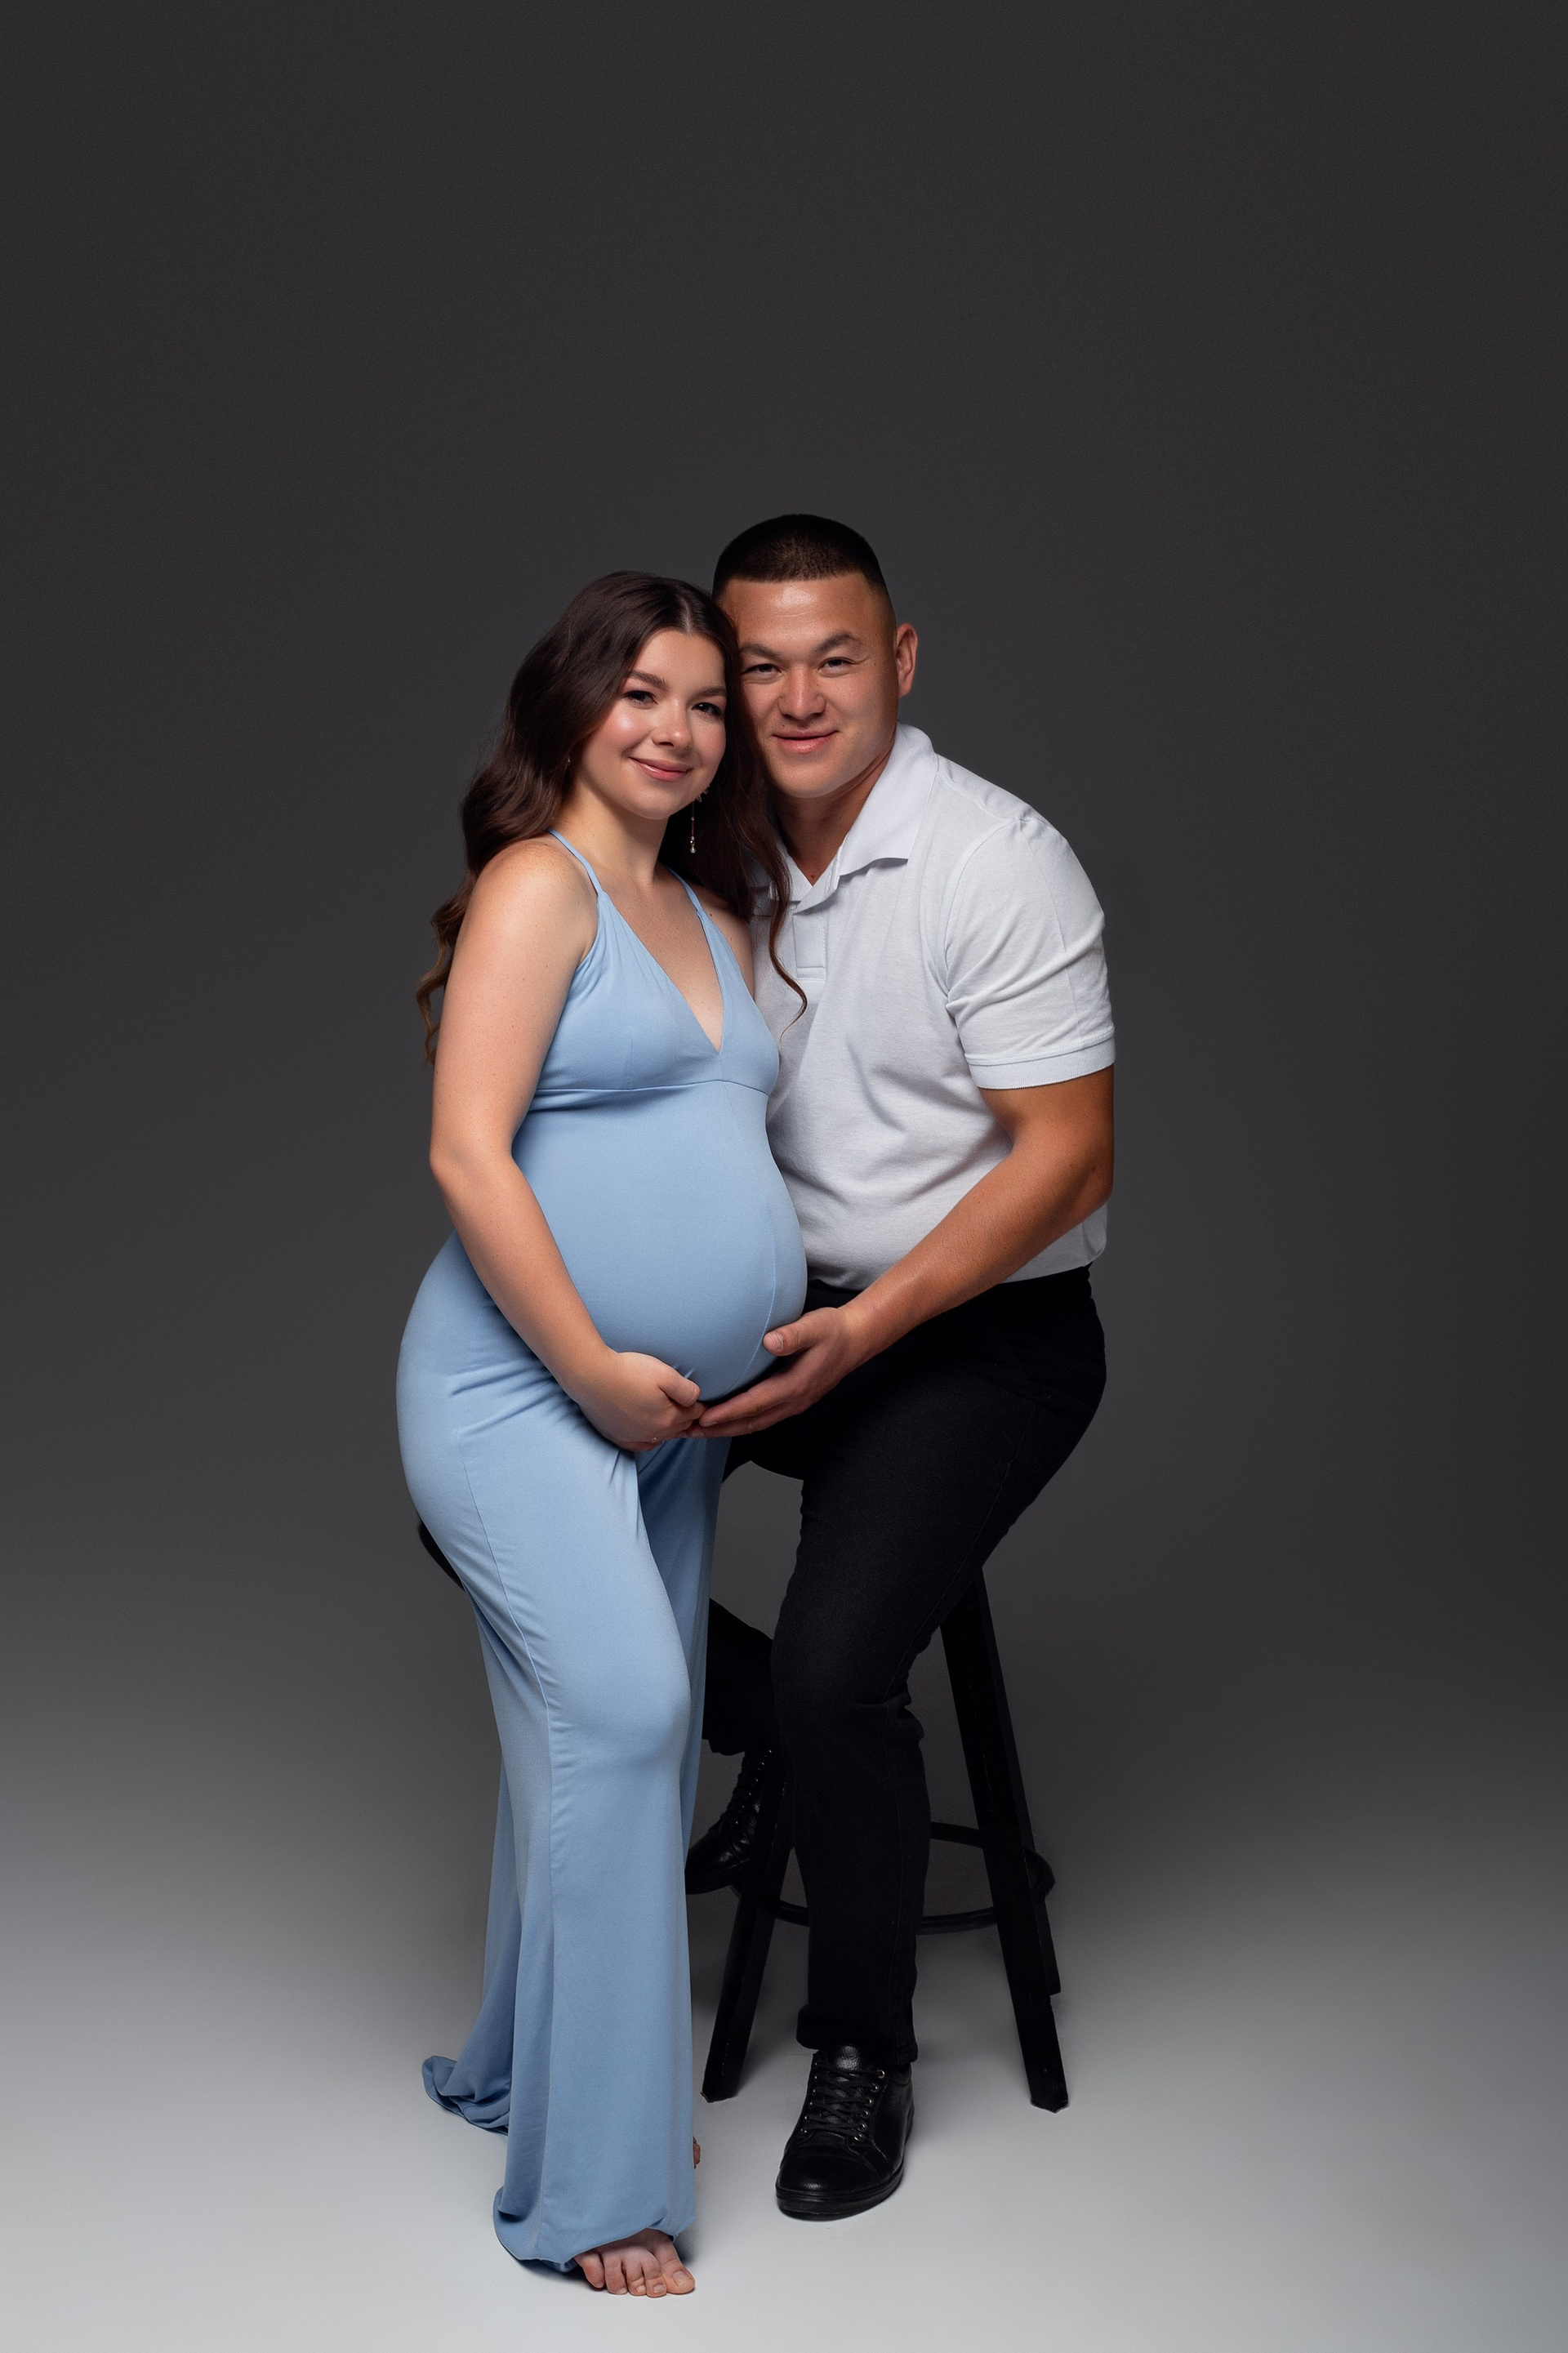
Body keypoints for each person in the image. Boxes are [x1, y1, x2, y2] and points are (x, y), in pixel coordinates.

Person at [686, 515, 1116, 2221]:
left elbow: (1068, 1161)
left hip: (979, 1335)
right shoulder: (711, 845)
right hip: (780, 1304)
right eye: (761, 665)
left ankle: (863, 2046)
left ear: (902, 659)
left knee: (835, 1667)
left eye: (835, 657)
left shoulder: (993, 858)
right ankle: (776, 1744)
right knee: (495, 1494)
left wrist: (870, 1328)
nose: (799, 698)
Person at [397, 573, 807, 2293]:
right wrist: (586, 1367)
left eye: (707, 703)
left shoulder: (712, 908)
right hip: (521, 1387)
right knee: (634, 1712)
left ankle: (556, 2075)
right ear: (572, 705)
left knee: (589, 1740)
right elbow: (468, 1154)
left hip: (673, 1417)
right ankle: (600, 2191)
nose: (679, 729)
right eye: (642, 692)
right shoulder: (537, 885)